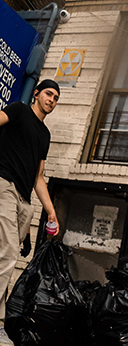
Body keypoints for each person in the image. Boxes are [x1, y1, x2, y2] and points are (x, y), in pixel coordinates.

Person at [0, 78, 60, 326]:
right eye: (48, 94)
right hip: (4, 185)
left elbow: (38, 177)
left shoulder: (45, 135)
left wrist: (52, 212)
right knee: (9, 253)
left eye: (56, 98)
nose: (52, 100)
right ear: (36, 93)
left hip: (24, 200)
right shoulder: (19, 110)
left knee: (5, 256)